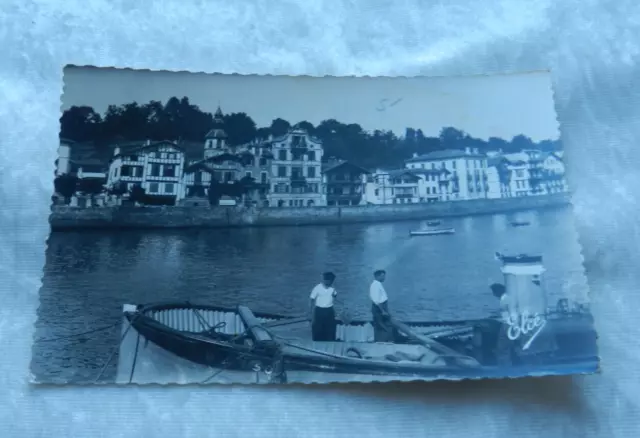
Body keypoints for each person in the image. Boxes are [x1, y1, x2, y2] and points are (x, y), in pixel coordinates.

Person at [309, 272, 338, 342]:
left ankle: (330, 341)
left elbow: (335, 297)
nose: (331, 283)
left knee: (330, 328)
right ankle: (317, 342)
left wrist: (336, 310)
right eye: (330, 281)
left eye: (332, 281)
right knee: (318, 328)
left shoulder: (332, 289)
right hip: (319, 310)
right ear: (325, 280)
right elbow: (311, 299)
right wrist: (310, 312)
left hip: (329, 310)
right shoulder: (317, 288)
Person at [369, 269, 395, 342]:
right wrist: (383, 311)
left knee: (385, 325)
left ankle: (385, 341)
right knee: (381, 325)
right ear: (377, 276)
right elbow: (376, 300)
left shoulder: (378, 284)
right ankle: (382, 341)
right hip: (378, 308)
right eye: (382, 276)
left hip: (381, 307)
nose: (384, 278)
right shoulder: (375, 285)